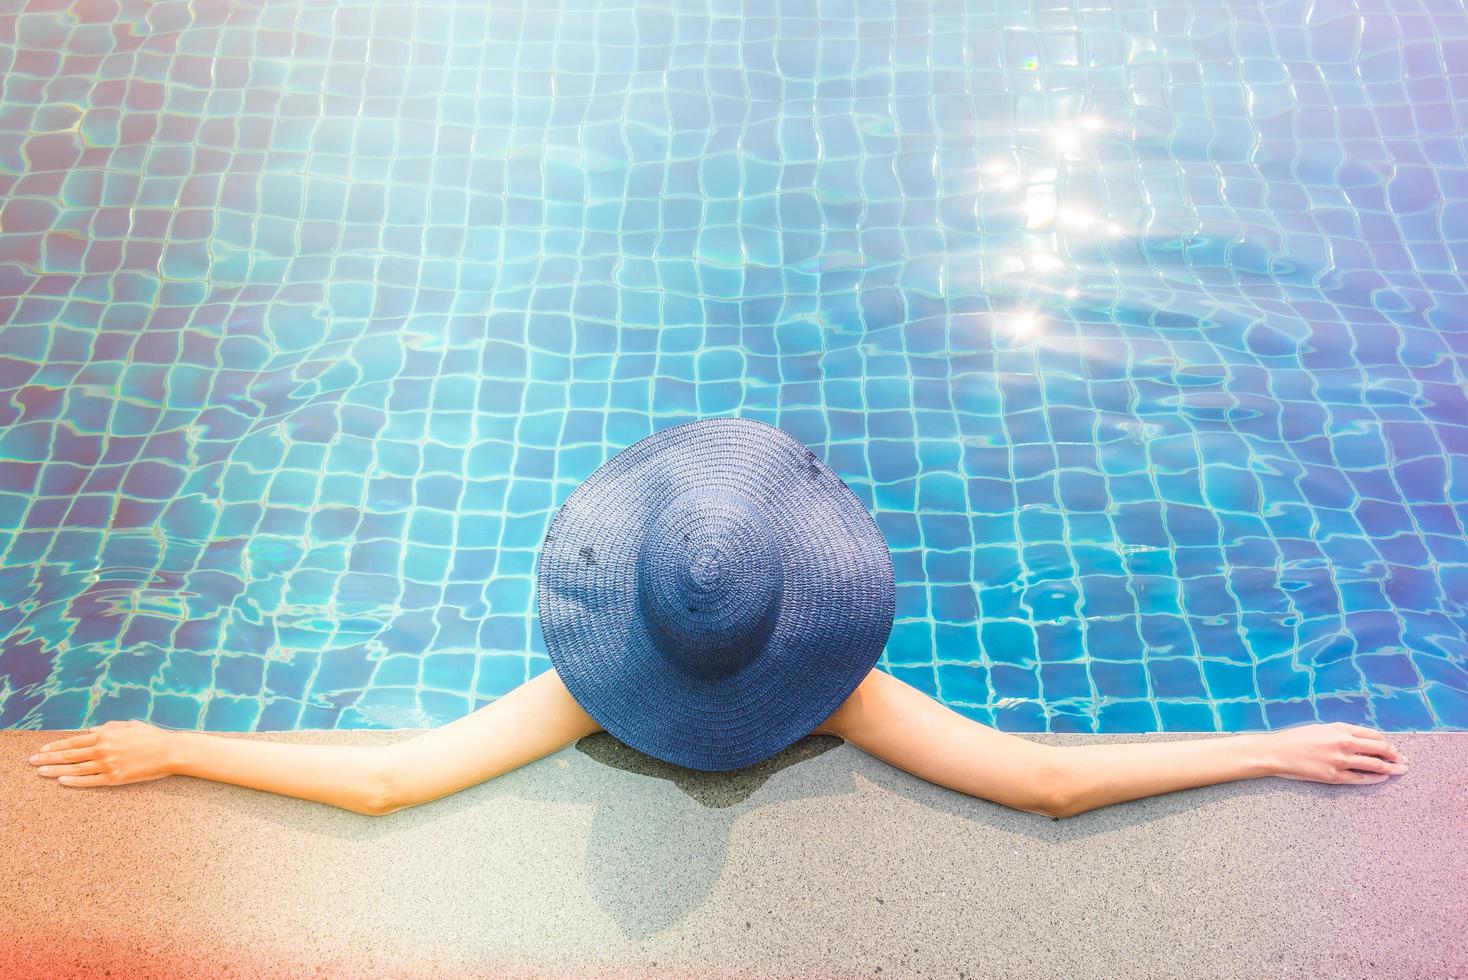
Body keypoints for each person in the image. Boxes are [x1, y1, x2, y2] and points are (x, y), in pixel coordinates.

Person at [26, 418, 1408, 818]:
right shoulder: (841, 693)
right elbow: (1042, 779)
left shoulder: (590, 688)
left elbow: (393, 777)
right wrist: (1264, 746)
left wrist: (181, 746)